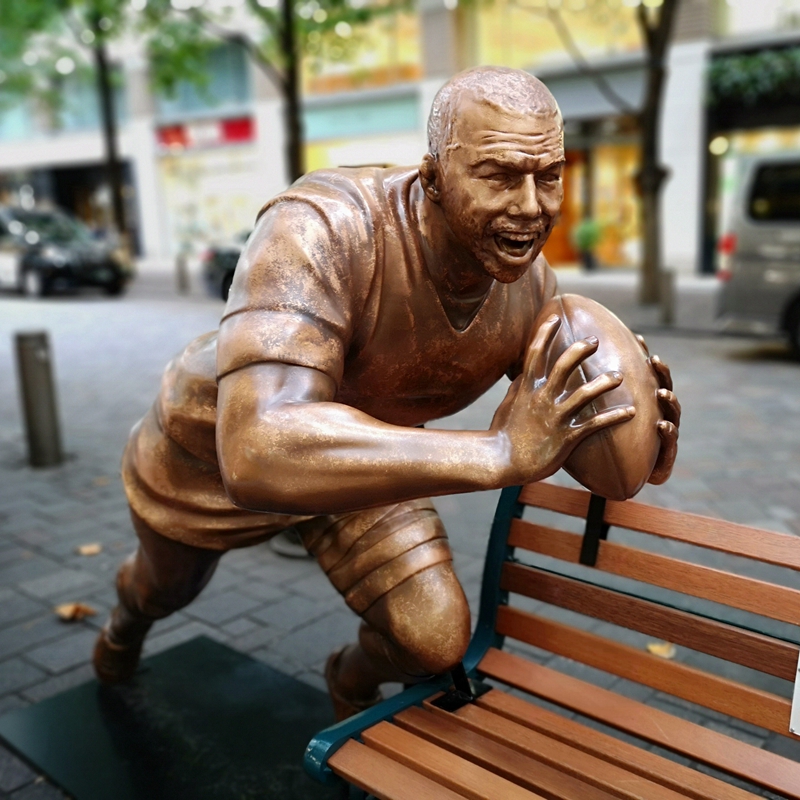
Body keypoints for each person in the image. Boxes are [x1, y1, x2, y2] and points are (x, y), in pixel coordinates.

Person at [93, 66, 680, 720]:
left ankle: (350, 679)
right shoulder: (322, 226)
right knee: (164, 589)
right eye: (498, 176)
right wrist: (495, 453)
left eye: (548, 175)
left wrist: (631, 435)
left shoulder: (531, 291)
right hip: (210, 451)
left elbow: (566, 430)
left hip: (363, 462)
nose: (531, 206)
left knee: (432, 636)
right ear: (431, 178)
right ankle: (124, 627)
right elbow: (256, 449)